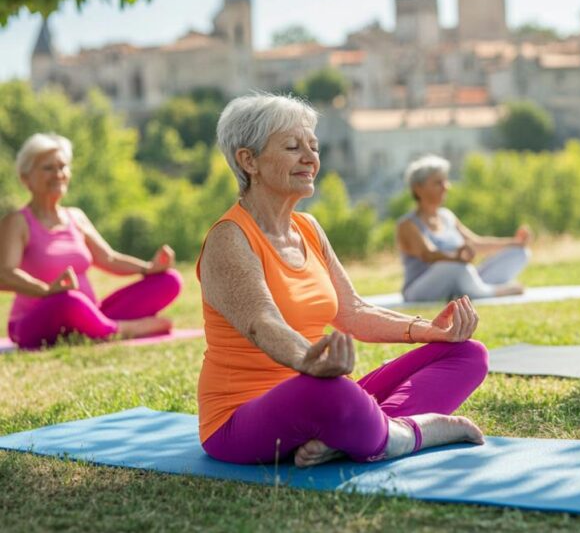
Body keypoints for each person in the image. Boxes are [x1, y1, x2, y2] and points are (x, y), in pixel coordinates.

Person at [197, 94, 488, 467]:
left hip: (321, 389)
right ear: (248, 160)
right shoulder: (229, 238)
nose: (310, 158)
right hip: (241, 419)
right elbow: (261, 323)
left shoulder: (308, 228)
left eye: (313, 147)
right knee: (331, 393)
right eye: (292, 147)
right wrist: (309, 362)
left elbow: (352, 312)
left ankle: (353, 435)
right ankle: (413, 433)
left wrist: (431, 331)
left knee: (467, 354)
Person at [0, 133, 182, 350]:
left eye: (63, 167)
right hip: (33, 324)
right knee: (69, 300)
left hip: (87, 313)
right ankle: (126, 329)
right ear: (25, 177)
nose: (58, 174)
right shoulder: (17, 222)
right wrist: (47, 291)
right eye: (48, 168)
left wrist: (149, 268)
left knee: (169, 280)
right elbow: (4, 274)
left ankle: (96, 326)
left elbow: (109, 258)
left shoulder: (75, 217)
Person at [396, 155, 531, 303]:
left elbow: (476, 243)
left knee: (519, 253)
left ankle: (469, 290)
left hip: (461, 276)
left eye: (445, 181)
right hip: (420, 290)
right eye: (438, 183)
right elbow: (428, 254)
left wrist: (515, 242)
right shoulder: (407, 224)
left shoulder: (447, 217)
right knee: (457, 267)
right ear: (418, 188)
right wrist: (457, 258)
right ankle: (492, 292)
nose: (446, 186)